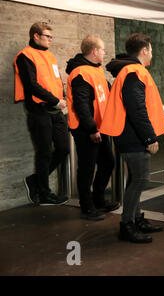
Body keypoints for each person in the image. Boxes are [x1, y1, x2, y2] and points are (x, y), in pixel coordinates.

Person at [100, 33, 164, 243]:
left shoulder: (130, 71)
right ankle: (127, 225)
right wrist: (150, 138)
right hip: (133, 136)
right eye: (151, 49)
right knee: (140, 179)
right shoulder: (134, 72)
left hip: (128, 134)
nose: (152, 53)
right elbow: (137, 109)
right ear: (144, 50)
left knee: (135, 179)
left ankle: (137, 219)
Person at [15, 22, 69, 206]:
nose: (50, 40)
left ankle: (35, 180)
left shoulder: (50, 56)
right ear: (35, 36)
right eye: (47, 36)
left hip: (56, 111)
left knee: (63, 149)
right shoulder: (25, 56)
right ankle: (44, 193)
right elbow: (31, 85)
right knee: (44, 152)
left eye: (51, 37)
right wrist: (55, 100)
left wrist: (61, 96)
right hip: (39, 111)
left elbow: (53, 80)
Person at [66, 35, 118, 221]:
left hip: (99, 127)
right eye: (102, 49)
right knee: (87, 168)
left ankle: (98, 200)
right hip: (87, 129)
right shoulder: (81, 73)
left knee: (107, 163)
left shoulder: (94, 71)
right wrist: (91, 129)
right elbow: (81, 105)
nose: (104, 53)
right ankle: (87, 207)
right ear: (94, 51)